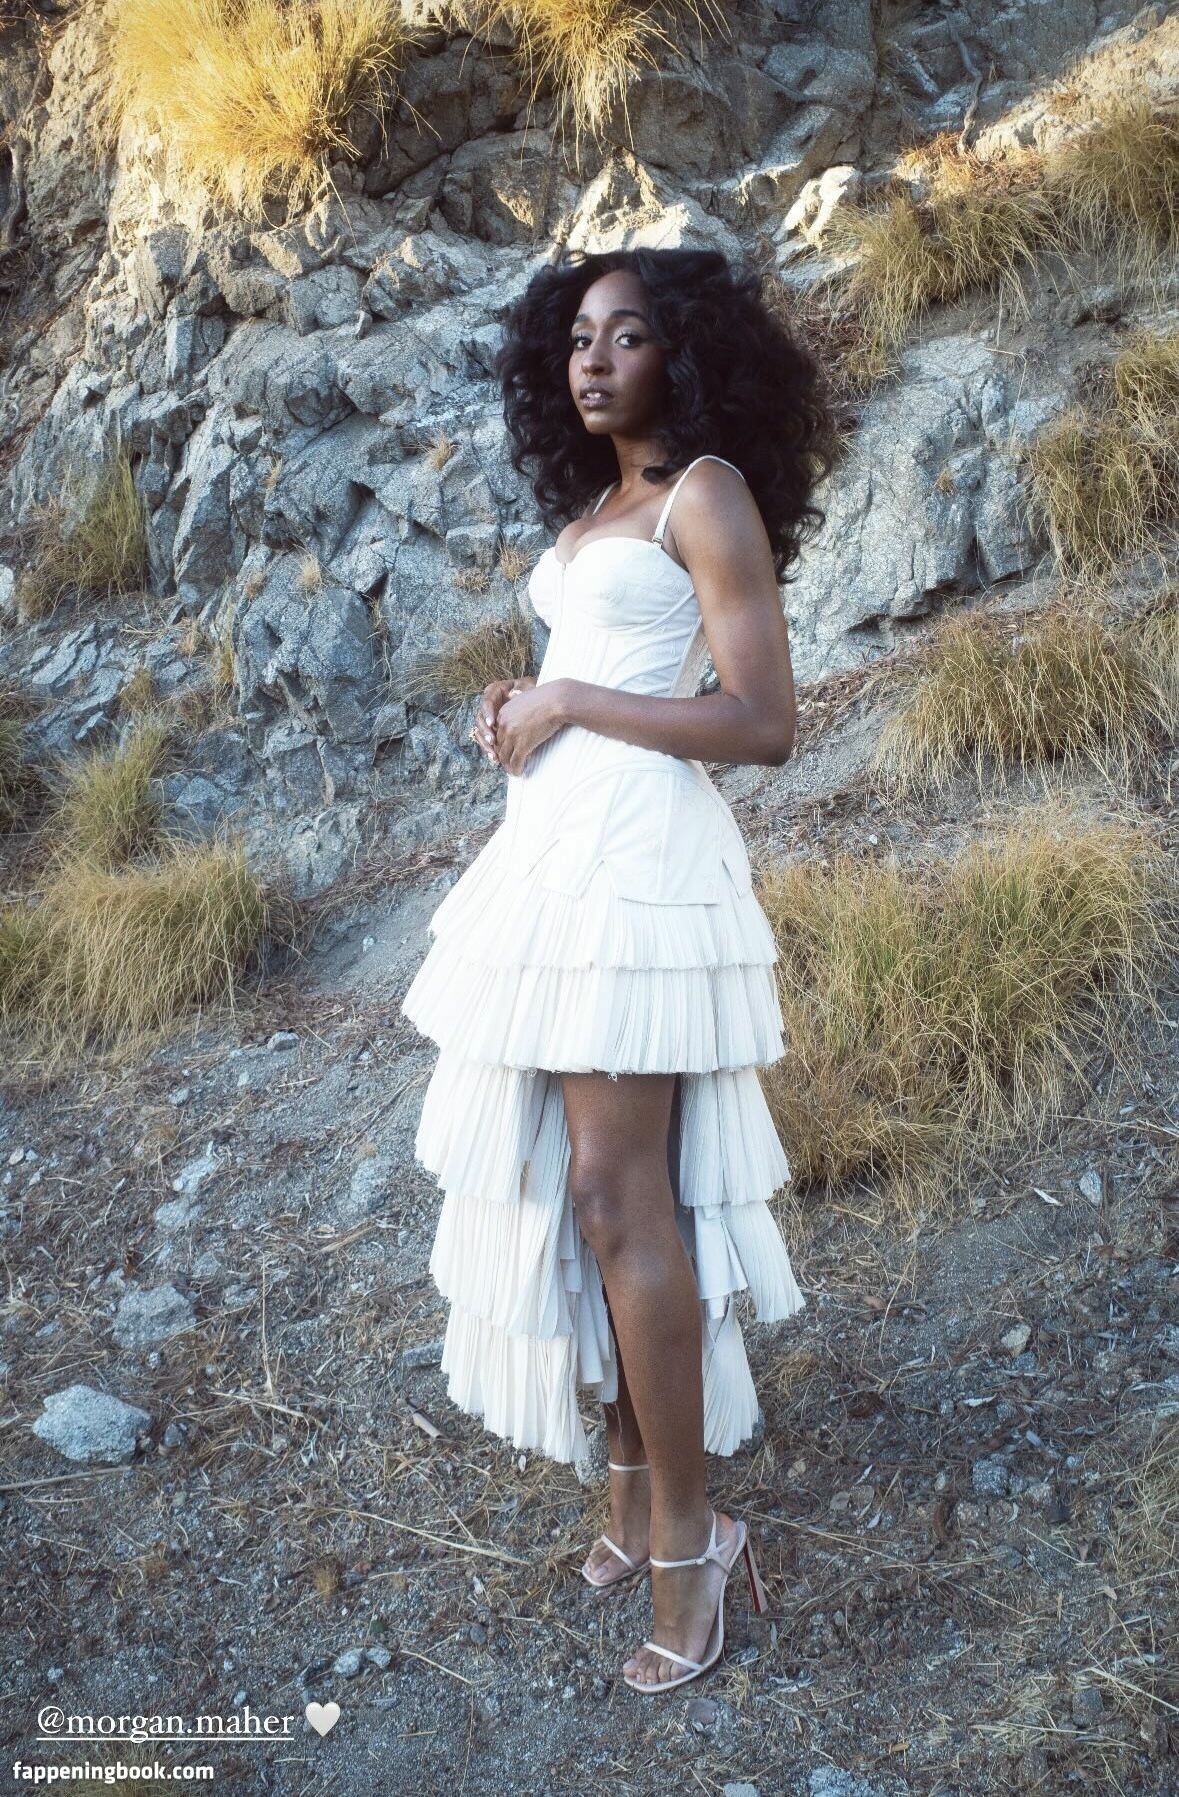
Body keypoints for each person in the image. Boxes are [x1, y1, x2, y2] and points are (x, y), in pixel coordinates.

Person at [400, 245, 834, 1693]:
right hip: (559, 853)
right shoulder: (596, 510)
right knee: (580, 1187)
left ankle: (691, 1543)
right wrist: (523, 704)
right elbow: (590, 678)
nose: (594, 360)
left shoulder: (705, 494)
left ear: (685, 355)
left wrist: (575, 696)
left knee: (617, 1190)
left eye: (628, 335)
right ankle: (640, 1492)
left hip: (641, 868)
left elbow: (764, 721)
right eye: (579, 337)